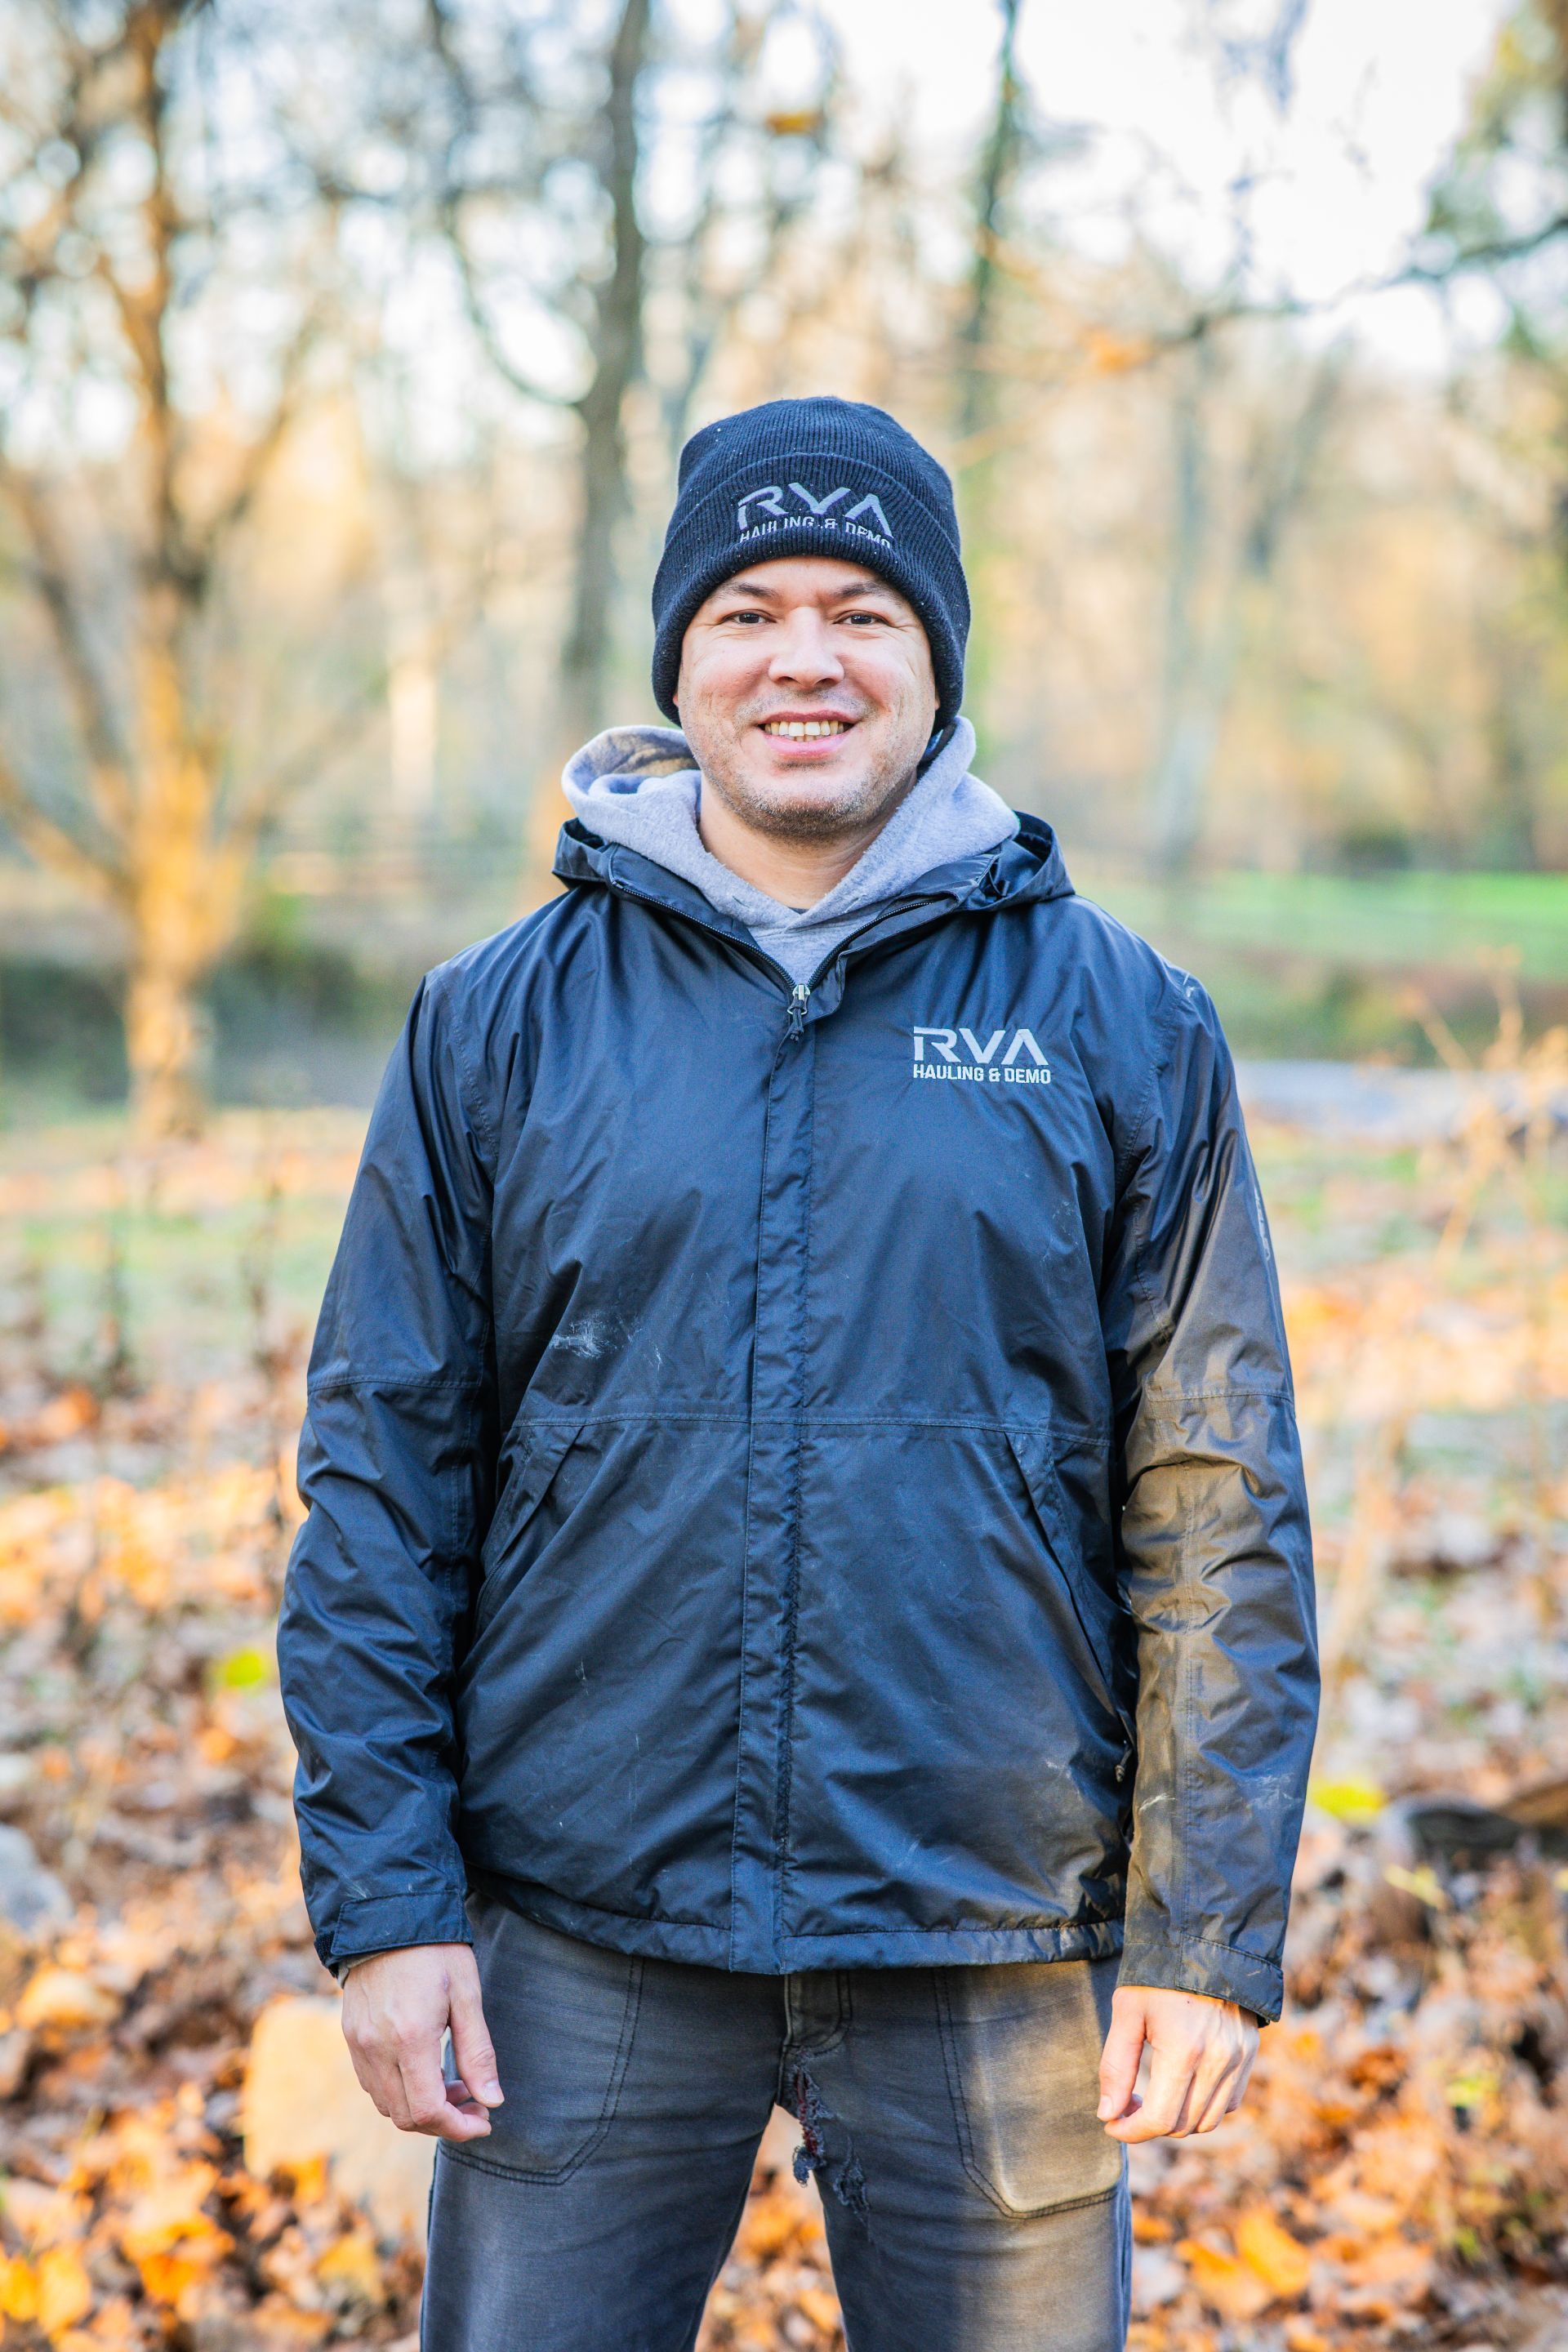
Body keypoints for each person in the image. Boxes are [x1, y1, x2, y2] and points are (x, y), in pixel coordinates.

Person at [278, 396, 1318, 2352]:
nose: (805, 658)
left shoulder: (1121, 1020)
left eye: (864, 610)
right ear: (681, 657)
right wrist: (390, 1905)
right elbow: (382, 1478)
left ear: (938, 663)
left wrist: (1207, 1940)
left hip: (990, 1933)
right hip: (581, 1922)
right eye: (750, 608)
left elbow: (1218, 1496)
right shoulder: (496, 1024)